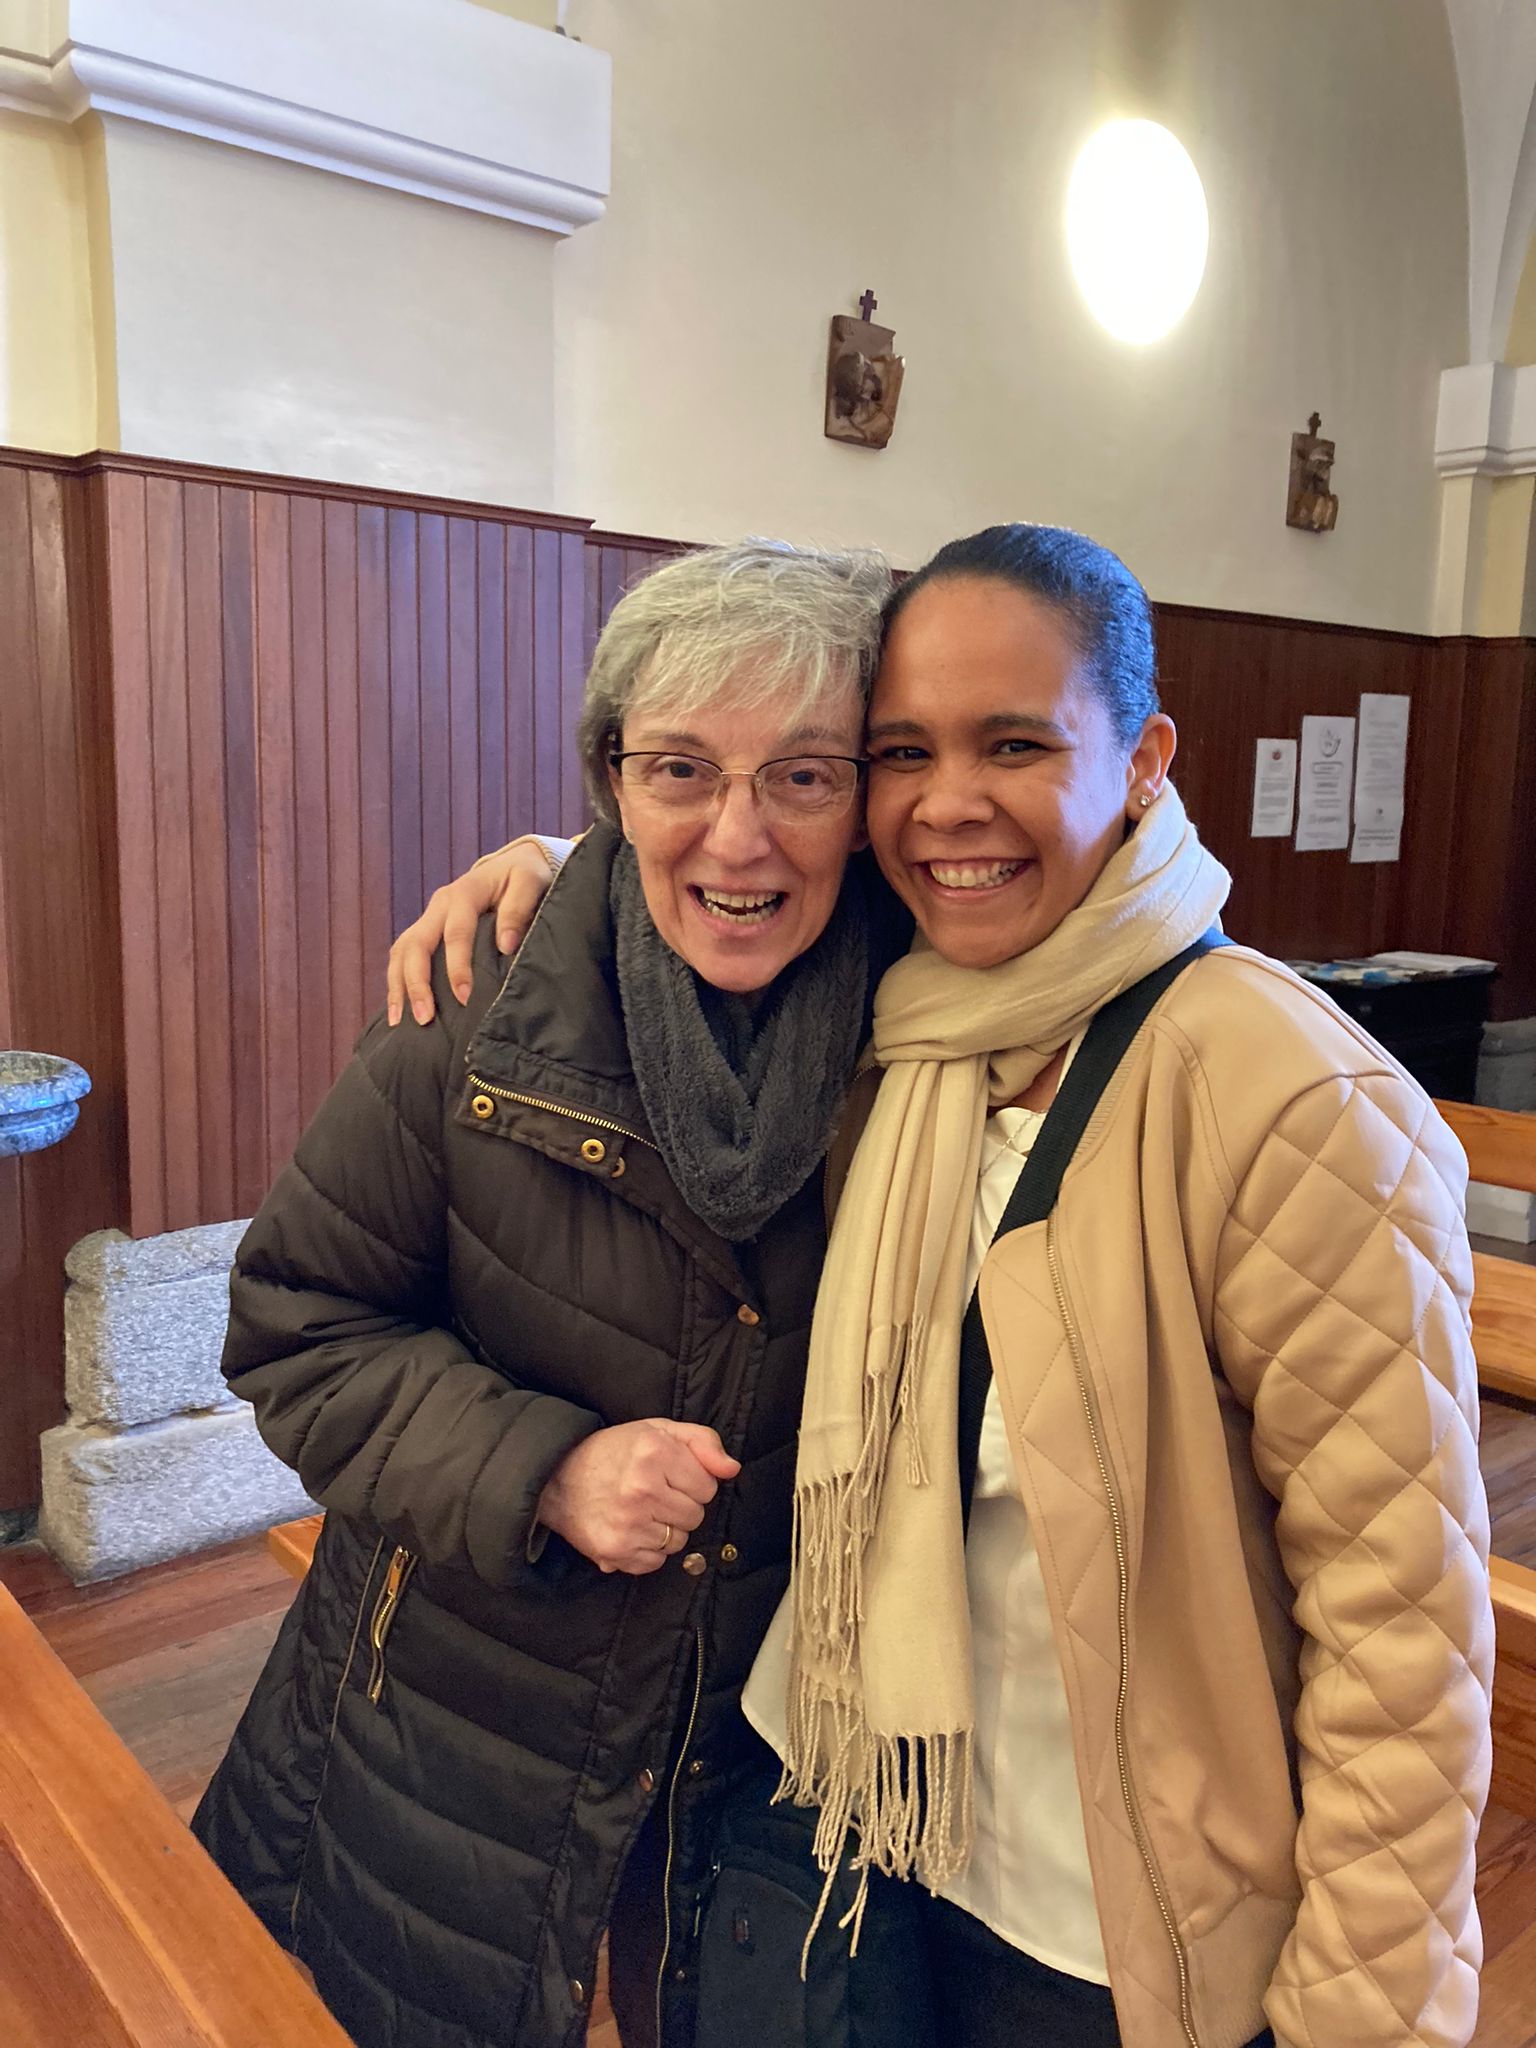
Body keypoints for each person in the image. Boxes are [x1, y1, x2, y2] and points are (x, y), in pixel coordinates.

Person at [394, 523, 1492, 2048]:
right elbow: (725, 868)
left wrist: (1362, 2018)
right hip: (837, 1825)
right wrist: (566, 872)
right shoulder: (893, 1015)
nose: (947, 803)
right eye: (902, 752)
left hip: (1100, 1921)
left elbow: (1402, 1634)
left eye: (1015, 744)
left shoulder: (1287, 1092)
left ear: (1145, 760)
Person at [191, 538, 902, 2048]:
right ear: (612, 783)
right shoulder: (473, 1007)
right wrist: (547, 1469)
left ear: (869, 796)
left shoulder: (934, 1041)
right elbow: (297, 1330)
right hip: (452, 1738)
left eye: (803, 776)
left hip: (769, 1767)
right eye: (680, 770)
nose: (738, 837)